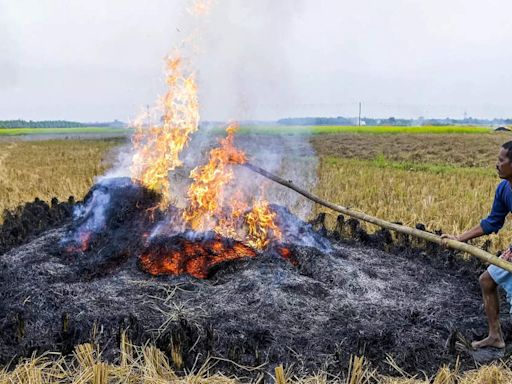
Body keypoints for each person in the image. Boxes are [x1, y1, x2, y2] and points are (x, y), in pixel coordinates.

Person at [442, 141, 512, 350]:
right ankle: (495, 336)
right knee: (487, 281)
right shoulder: (503, 189)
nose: (496, 164)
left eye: (501, 160)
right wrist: (458, 239)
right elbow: (492, 222)